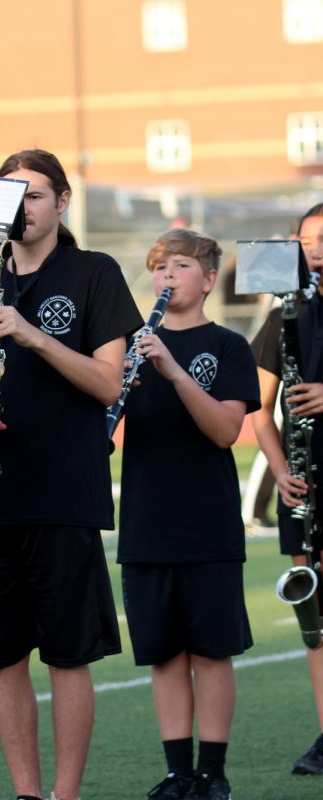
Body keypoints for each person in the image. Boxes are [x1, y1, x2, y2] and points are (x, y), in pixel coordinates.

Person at [0, 149, 142, 800]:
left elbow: (108, 381)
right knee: (1, 657)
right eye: (10, 197)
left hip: (63, 491)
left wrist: (31, 336)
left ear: (62, 203)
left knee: (66, 655)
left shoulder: (95, 273)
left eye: (34, 196)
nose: (22, 209)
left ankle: (65, 794)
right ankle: (26, 793)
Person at [118, 229, 259, 800]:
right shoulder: (130, 345)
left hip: (207, 522)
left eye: (179, 266)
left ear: (205, 278)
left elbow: (225, 431)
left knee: (211, 651)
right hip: (147, 522)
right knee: (163, 653)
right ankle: (178, 771)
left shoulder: (228, 346)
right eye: (158, 267)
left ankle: (213, 772)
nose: (166, 276)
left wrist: (173, 370)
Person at [250, 202, 323, 776]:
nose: (314, 248)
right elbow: (259, 407)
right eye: (306, 238)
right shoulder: (285, 313)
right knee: (316, 621)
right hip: (304, 484)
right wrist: (279, 471)